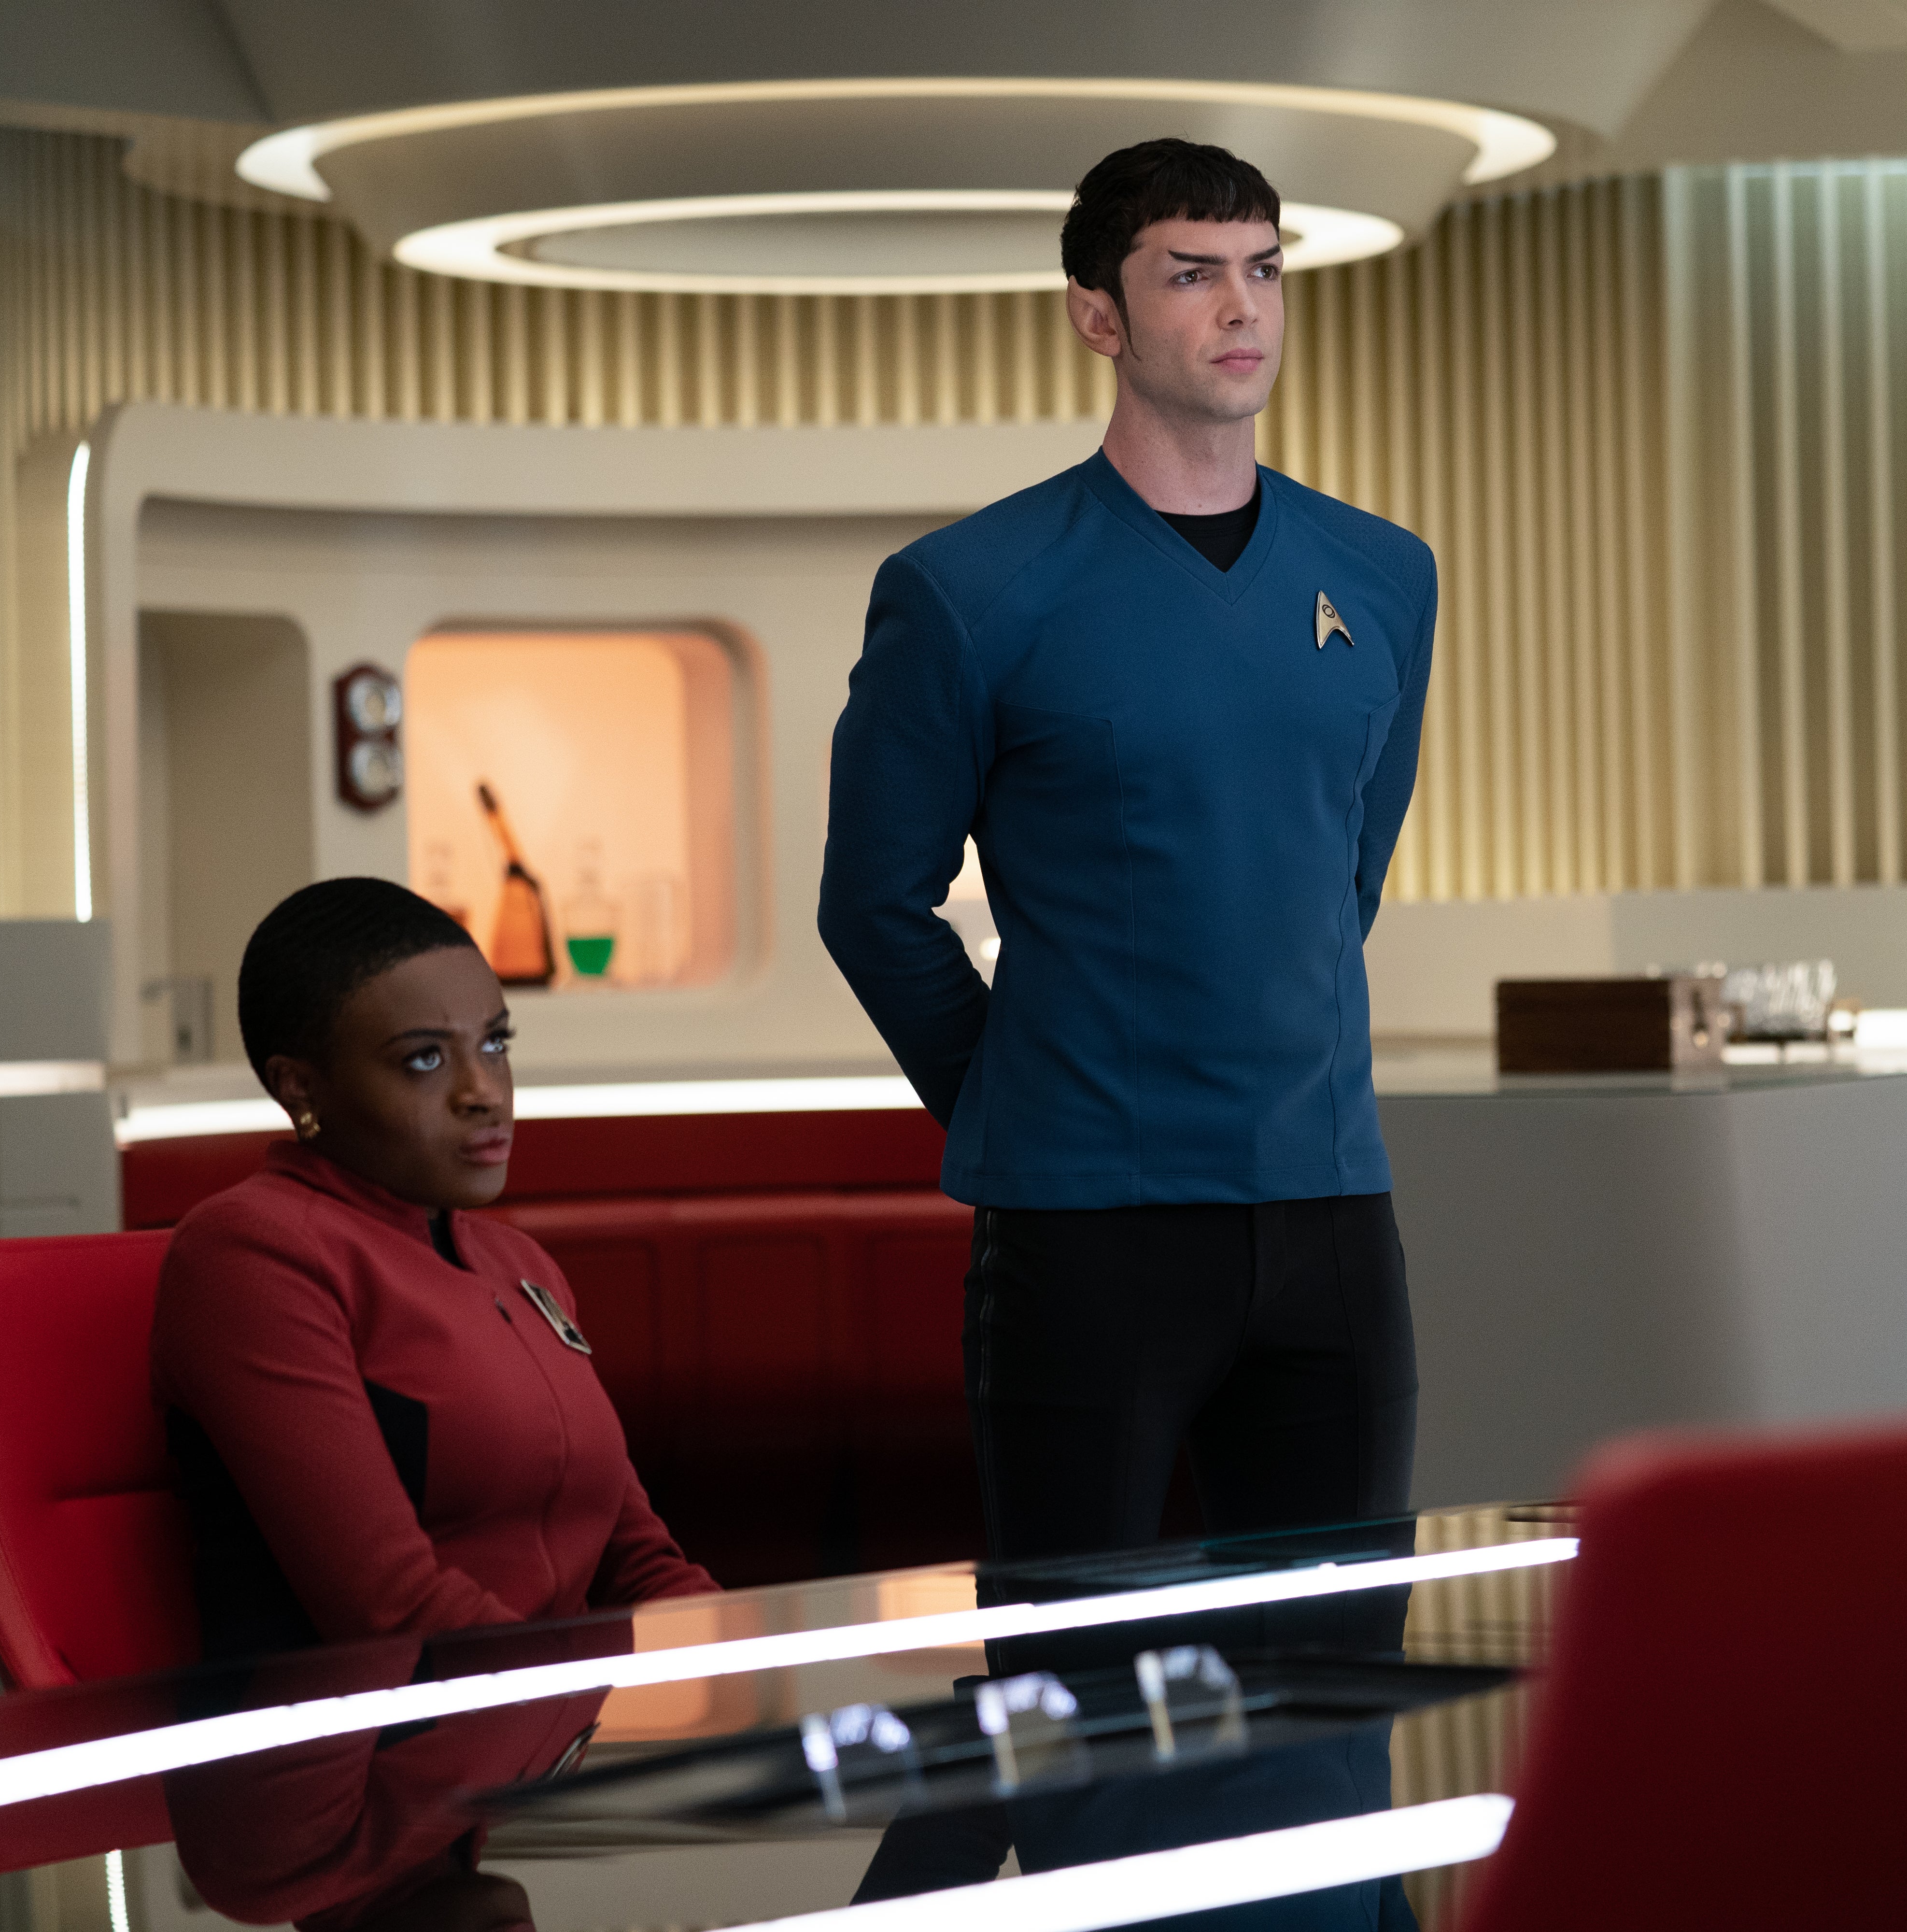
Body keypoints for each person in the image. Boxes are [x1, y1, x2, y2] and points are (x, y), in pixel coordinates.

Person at [818, 138, 1433, 1568]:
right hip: (1087, 1226)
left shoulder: (1386, 573)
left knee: (1345, 1664)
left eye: (1265, 270)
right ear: (1099, 314)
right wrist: (1019, 1098)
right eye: (1192, 275)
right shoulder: (968, 590)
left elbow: (1347, 867)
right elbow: (873, 905)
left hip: (1333, 1205)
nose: (1244, 307)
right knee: (1077, 1663)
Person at [153, 878, 714, 1665]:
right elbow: (393, 1610)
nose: (483, 1093)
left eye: (495, 1045)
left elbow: (642, 1565)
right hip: (372, 1732)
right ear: (299, 1088)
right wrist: (581, 1704)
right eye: (424, 1060)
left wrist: (754, 1673)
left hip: (549, 1718)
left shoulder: (521, 1265)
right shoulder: (251, 1255)